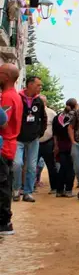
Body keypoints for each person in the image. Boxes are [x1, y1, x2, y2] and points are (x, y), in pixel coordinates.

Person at [12, 76, 46, 203]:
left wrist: (39, 133)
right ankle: (16, 189)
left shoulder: (39, 101)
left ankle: (28, 192)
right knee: (17, 164)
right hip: (18, 138)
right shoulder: (17, 97)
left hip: (33, 139)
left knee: (32, 166)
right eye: (38, 85)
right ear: (30, 85)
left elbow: (43, 118)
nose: (40, 87)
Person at [0, 63, 22, 235]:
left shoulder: (7, 97)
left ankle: (4, 222)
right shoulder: (14, 96)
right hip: (9, 144)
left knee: (3, 185)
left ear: (6, 77)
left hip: (4, 145)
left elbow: (3, 122)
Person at [52, 98, 76, 198]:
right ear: (75, 106)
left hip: (60, 146)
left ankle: (59, 190)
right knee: (70, 168)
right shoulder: (75, 116)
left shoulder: (57, 117)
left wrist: (56, 145)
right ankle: (68, 190)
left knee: (62, 167)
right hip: (71, 145)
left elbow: (54, 134)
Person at [35, 96, 58, 195]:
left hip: (48, 143)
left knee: (51, 166)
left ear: (45, 103)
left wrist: (55, 145)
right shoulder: (34, 111)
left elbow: (56, 130)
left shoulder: (52, 113)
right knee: (31, 166)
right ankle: (30, 187)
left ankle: (54, 187)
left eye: (42, 101)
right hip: (35, 142)